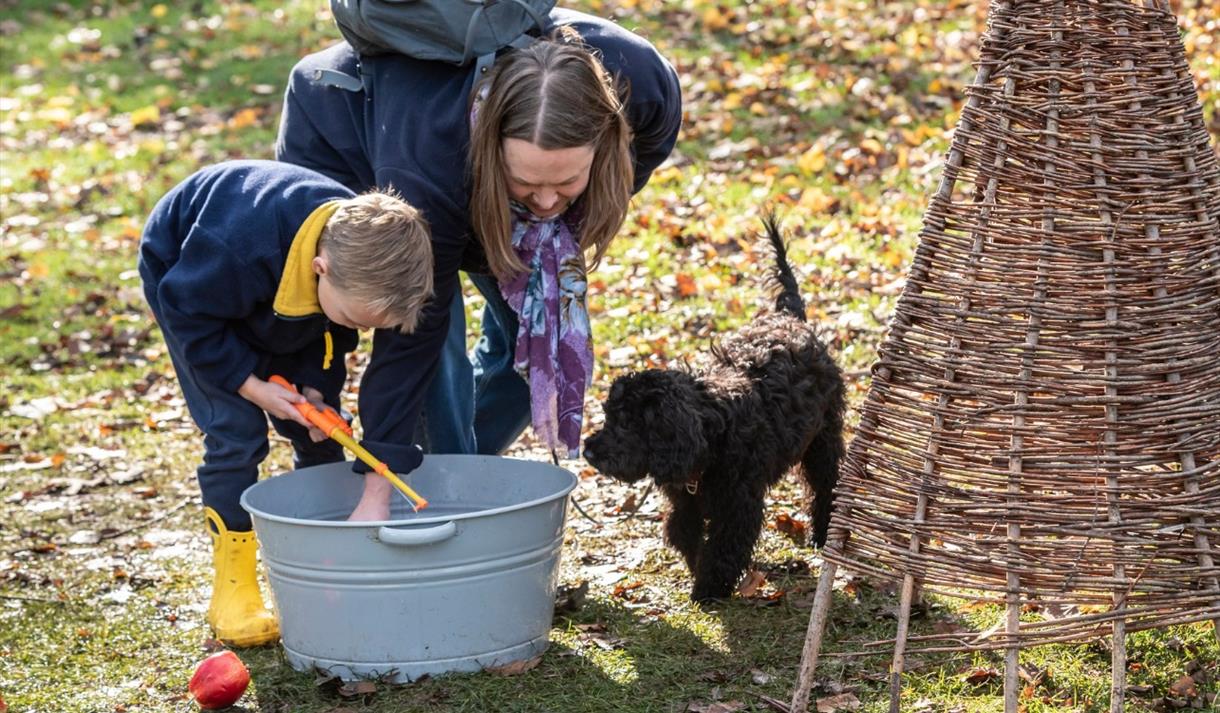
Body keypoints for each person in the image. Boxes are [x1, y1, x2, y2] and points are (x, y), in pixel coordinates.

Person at [276, 9, 682, 520]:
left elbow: (629, 166)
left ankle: (459, 468)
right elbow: (411, 339)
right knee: (430, 340)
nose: (548, 200)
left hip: (464, 171)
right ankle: (437, 488)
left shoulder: (643, 89)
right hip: (353, 138)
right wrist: (381, 474)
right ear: (493, 151)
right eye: (527, 183)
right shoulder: (429, 170)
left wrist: (543, 228)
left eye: (568, 181)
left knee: (533, 340)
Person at [137, 159, 433, 646]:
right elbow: (187, 312)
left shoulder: (354, 265)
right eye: (351, 316)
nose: (357, 329)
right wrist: (251, 387)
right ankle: (234, 585)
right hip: (187, 282)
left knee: (317, 426)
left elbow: (331, 335)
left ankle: (328, 555)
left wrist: (315, 390)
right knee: (235, 433)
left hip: (283, 297)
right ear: (321, 269)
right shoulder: (236, 246)